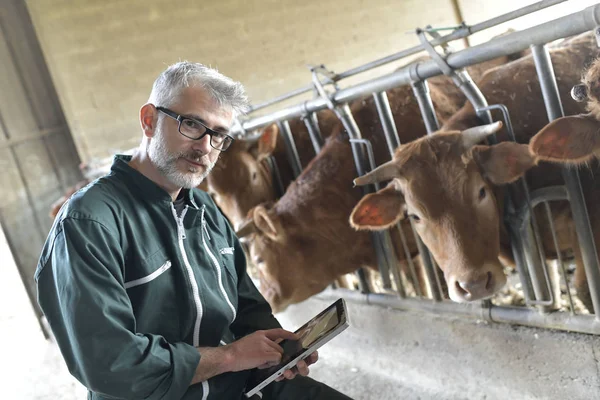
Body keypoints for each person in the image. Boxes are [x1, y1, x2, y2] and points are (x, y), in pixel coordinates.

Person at [35, 62, 353, 400]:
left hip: (237, 386)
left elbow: (246, 307)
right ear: (149, 120)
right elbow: (111, 363)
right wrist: (230, 356)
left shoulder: (207, 210)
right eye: (192, 125)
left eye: (218, 135)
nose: (205, 147)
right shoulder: (89, 221)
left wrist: (277, 349)